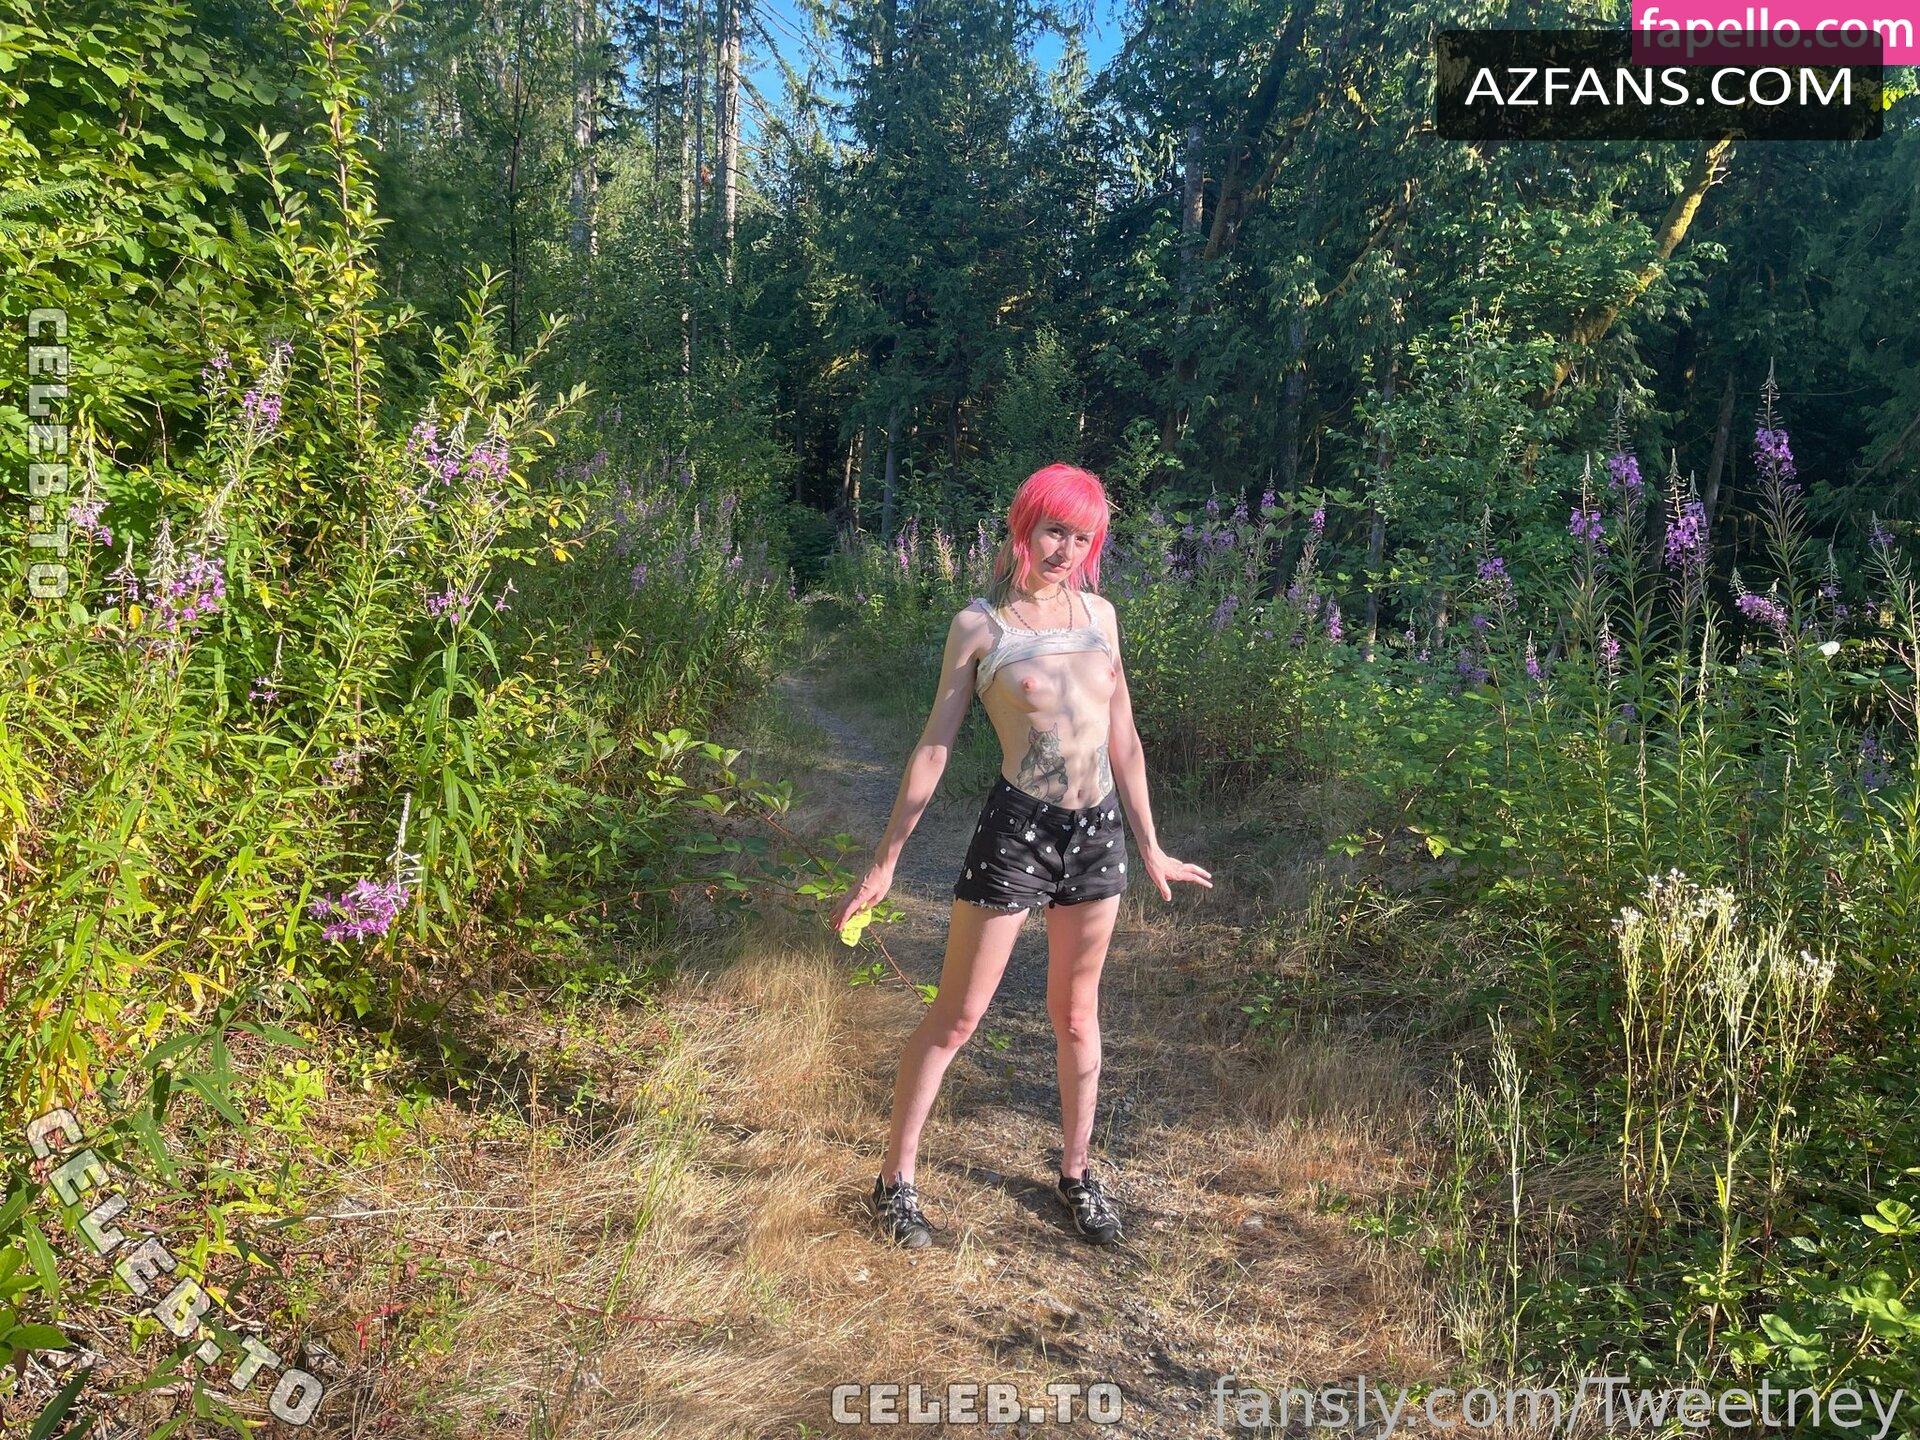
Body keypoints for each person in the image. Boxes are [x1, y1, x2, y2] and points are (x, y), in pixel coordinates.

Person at [829, 463, 1214, 1249]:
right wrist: (886, 861)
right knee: (958, 1016)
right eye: (1053, 531)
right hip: (1017, 831)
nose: (1065, 549)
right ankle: (893, 1183)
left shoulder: (1102, 616)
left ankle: (1076, 1174)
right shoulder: (982, 627)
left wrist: (1151, 846)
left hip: (1096, 831)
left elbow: (1124, 739)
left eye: (1082, 536)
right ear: (1024, 528)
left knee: (1076, 1014)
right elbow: (934, 748)